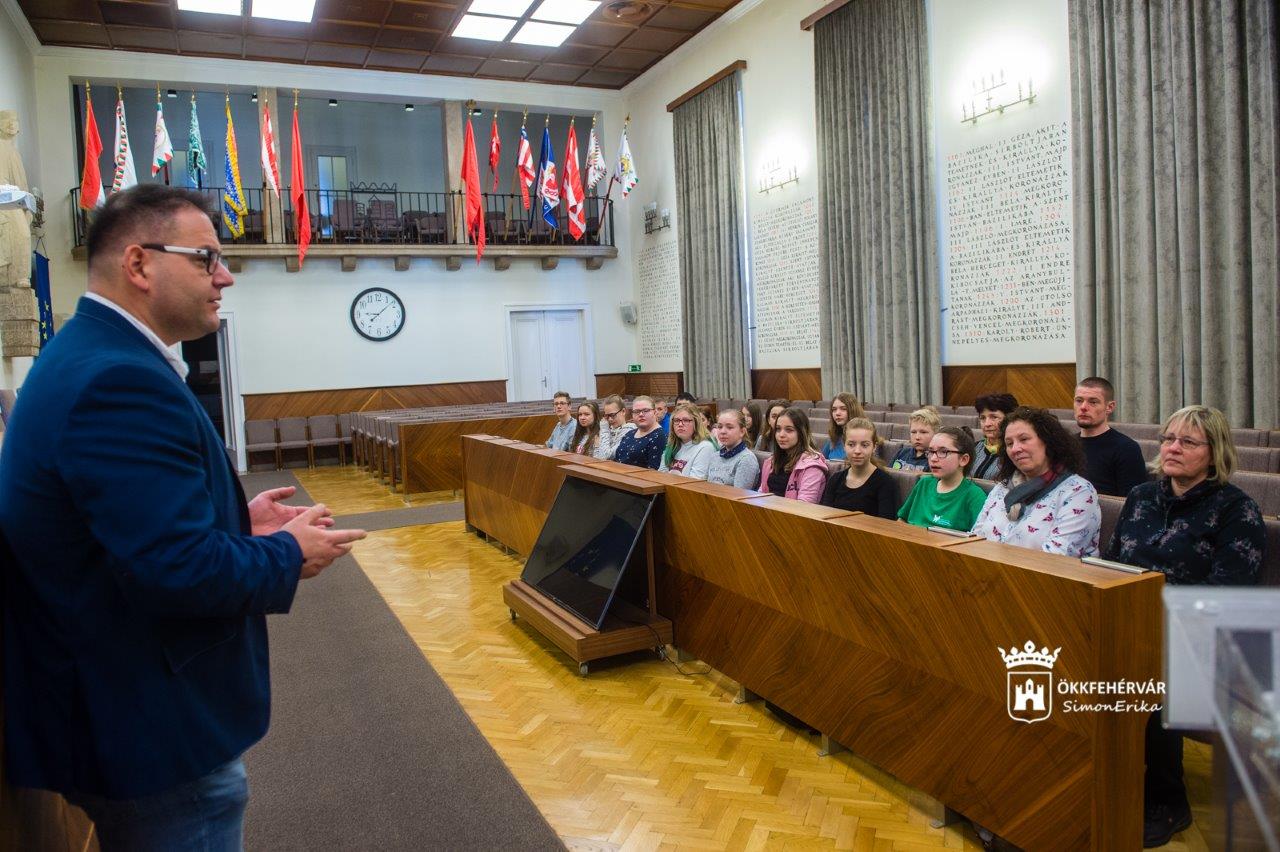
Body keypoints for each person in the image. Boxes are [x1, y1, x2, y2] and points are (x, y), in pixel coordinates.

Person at [0, 185, 367, 847]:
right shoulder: (117, 379)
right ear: (139, 265)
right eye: (206, 259)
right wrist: (287, 554)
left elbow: (121, 532)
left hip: (114, 706)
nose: (224, 276)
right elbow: (175, 570)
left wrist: (233, 522)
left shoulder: (86, 354)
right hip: (147, 724)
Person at [1103, 405, 1264, 848]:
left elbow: (1228, 594)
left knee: (1153, 680)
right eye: (1169, 438)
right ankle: (1101, 778)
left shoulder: (1237, 510)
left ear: (1214, 453)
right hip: (1135, 621)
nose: (1172, 448)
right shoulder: (1141, 496)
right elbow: (1114, 564)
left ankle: (1169, 801)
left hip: (1201, 635)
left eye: (1187, 442)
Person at [970, 407, 1101, 557]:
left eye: (1024, 439)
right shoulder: (1003, 487)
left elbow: (1057, 558)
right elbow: (975, 539)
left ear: (1048, 441)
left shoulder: (1078, 492)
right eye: (1009, 443)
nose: (1015, 449)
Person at [897, 426, 987, 530]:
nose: (934, 458)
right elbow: (902, 521)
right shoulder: (924, 483)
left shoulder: (975, 496)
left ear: (963, 459)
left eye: (943, 452)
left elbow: (979, 540)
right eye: (931, 452)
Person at [1073, 376, 1148, 497]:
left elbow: (1133, 502)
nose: (1083, 407)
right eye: (1079, 400)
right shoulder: (1066, 445)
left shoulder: (1126, 448)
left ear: (1109, 407)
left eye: (1093, 402)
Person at [819, 417, 897, 518]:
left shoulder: (885, 483)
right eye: (851, 444)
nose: (857, 451)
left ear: (874, 447)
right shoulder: (835, 480)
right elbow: (826, 517)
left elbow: (886, 525)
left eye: (864, 445)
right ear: (844, 446)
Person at [757, 407, 828, 503]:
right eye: (778, 429)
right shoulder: (771, 462)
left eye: (789, 430)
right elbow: (760, 495)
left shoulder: (812, 466)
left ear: (801, 433)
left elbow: (804, 507)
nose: (781, 435)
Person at [658, 402, 716, 479]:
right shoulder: (672, 445)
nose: (680, 424)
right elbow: (661, 474)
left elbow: (694, 482)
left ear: (696, 423)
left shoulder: (705, 447)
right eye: (677, 420)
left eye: (686, 420)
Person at [708, 409, 761, 489]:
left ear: (742, 432)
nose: (723, 431)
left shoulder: (746, 459)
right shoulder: (714, 456)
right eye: (720, 427)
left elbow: (738, 495)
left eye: (729, 427)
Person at [971, 393, 1019, 480]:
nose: (987, 424)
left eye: (994, 417)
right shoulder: (973, 448)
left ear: (1009, 419)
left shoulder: (1015, 452)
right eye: (982, 418)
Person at [614, 395, 666, 470]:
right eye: (637, 411)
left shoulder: (660, 436)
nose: (641, 414)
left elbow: (654, 471)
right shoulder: (629, 434)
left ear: (654, 412)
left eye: (645, 410)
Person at [891, 407, 940, 471]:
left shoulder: (936, 460)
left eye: (923, 432)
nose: (917, 437)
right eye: (913, 432)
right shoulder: (902, 453)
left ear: (935, 434)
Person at [819, 393, 866, 461]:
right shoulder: (834, 439)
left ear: (853, 410)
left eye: (843, 409)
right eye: (834, 409)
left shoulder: (867, 438)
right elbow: (821, 461)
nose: (837, 413)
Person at [595, 395, 634, 460]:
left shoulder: (629, 432)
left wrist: (604, 430)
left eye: (613, 415)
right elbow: (596, 458)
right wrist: (596, 447)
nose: (610, 419)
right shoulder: (609, 430)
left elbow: (605, 456)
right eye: (607, 416)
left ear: (623, 411)